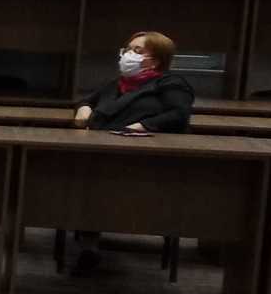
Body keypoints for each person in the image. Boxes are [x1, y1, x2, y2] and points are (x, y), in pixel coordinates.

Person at [66, 30, 193, 275]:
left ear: (155, 60)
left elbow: (178, 115)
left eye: (137, 51)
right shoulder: (117, 84)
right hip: (101, 154)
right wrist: (83, 110)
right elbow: (87, 101)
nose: (128, 55)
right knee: (87, 184)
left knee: (106, 187)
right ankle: (88, 248)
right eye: (127, 49)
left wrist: (142, 126)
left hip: (145, 160)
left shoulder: (170, 84)